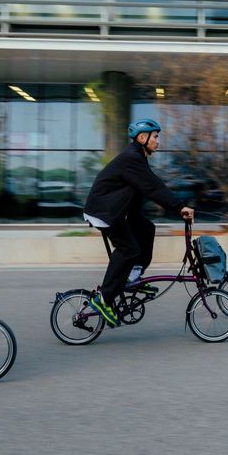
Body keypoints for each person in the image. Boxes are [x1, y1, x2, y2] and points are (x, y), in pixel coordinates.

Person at [82, 118, 194, 328]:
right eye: (155, 136)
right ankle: (104, 298)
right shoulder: (131, 158)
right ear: (142, 138)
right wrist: (179, 207)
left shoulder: (137, 158)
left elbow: (145, 188)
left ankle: (132, 275)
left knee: (146, 228)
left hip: (116, 210)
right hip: (105, 211)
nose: (158, 141)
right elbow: (154, 187)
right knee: (128, 248)